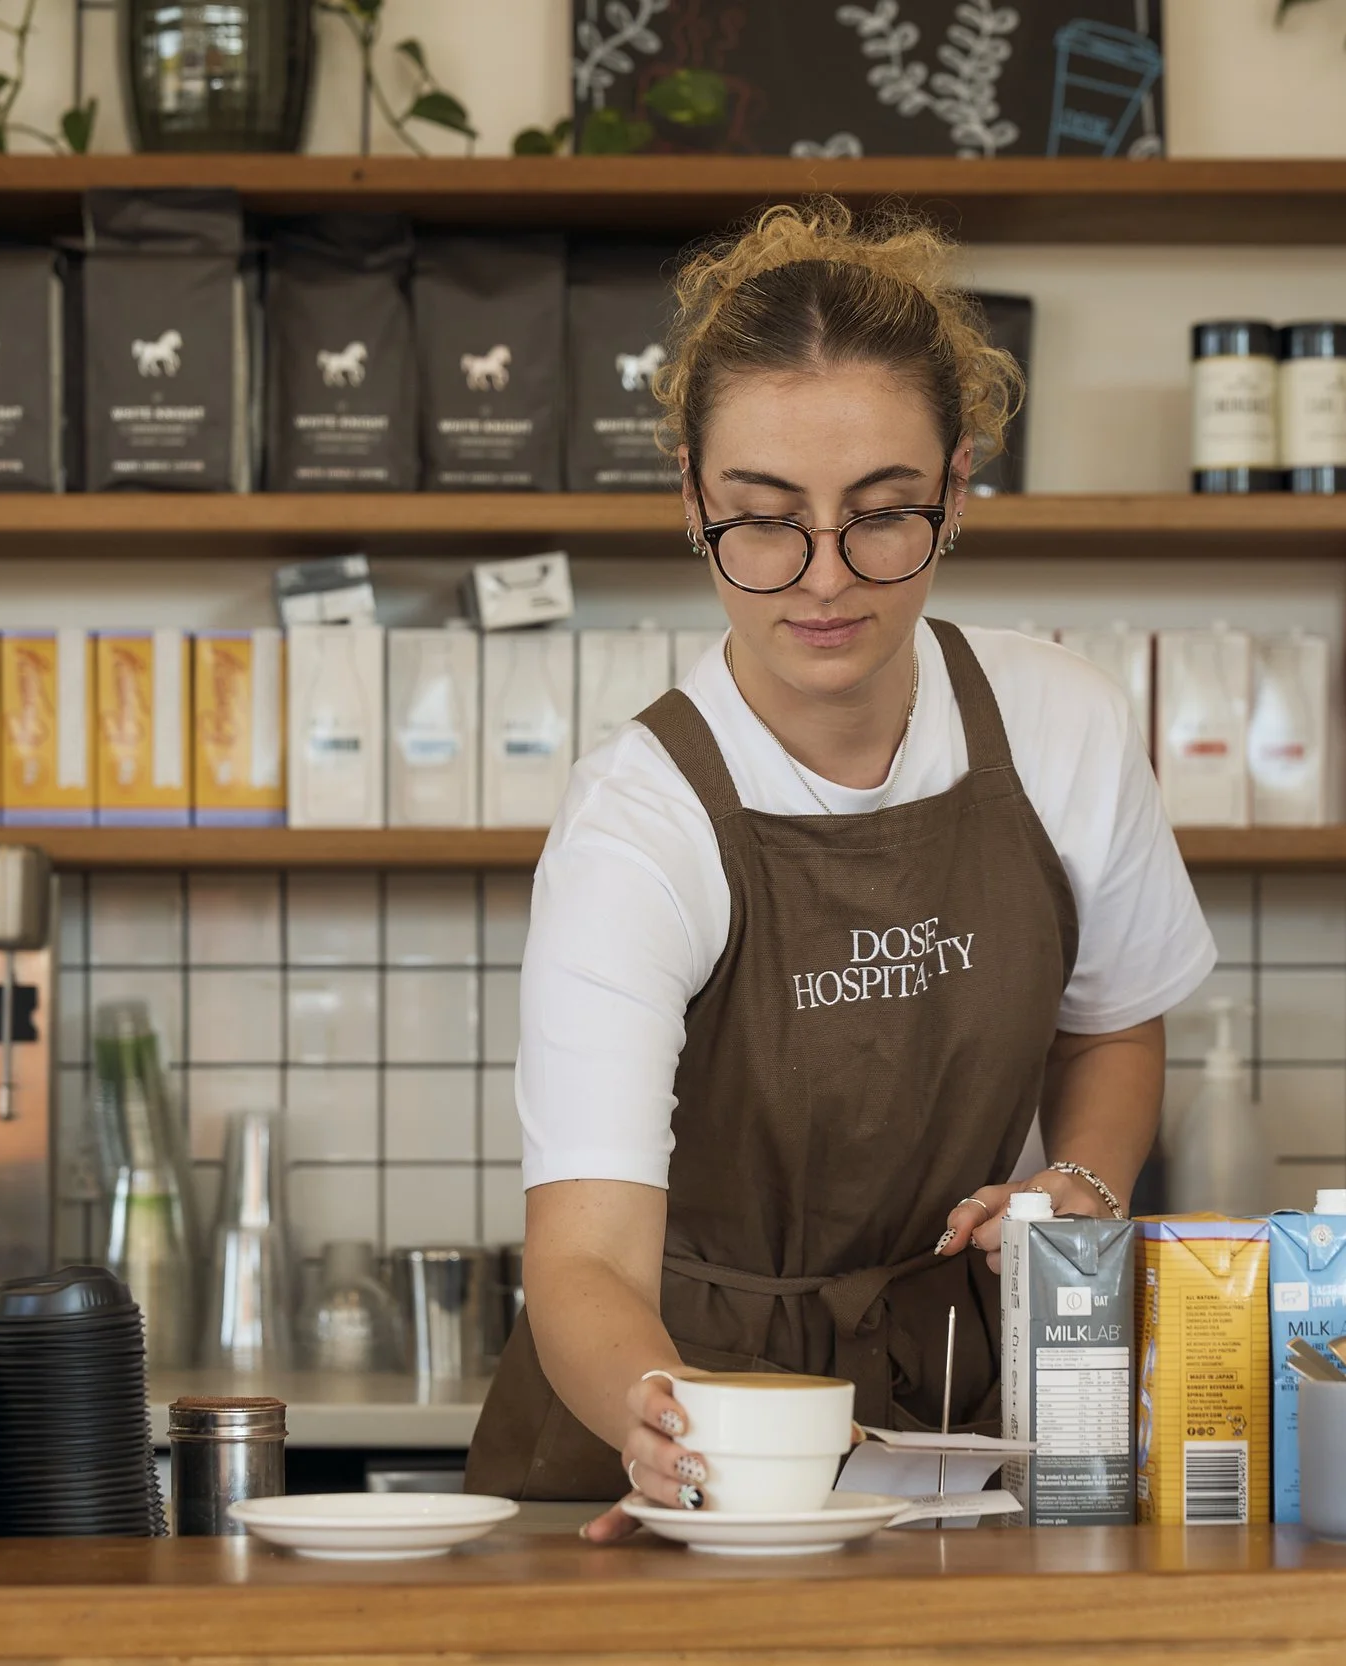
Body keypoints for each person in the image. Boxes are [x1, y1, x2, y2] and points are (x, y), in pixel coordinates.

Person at [462, 199, 1216, 1539]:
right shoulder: (639, 823)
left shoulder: (1065, 725)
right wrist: (670, 1421)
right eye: (764, 518)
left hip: (946, 1434)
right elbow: (581, 1258)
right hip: (661, 1449)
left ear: (960, 488)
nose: (823, 578)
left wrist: (1077, 1190)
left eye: (882, 515)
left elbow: (1113, 1026)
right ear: (693, 497)